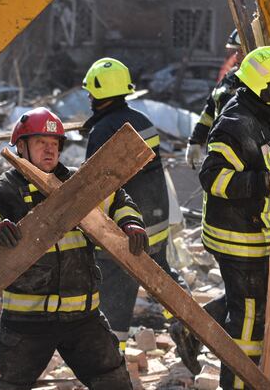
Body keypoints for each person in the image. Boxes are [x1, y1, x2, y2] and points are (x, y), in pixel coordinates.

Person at [0, 108, 148, 390]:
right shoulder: (5, 191)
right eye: (41, 143)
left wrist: (131, 224)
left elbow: (118, 201)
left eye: (54, 144)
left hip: (83, 318)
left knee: (114, 383)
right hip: (27, 323)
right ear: (22, 146)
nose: (50, 151)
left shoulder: (78, 184)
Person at [176, 46, 270, 388]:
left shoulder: (263, 113)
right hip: (238, 238)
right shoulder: (236, 124)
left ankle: (192, 327)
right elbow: (212, 178)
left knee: (244, 304)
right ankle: (238, 383)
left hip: (254, 231)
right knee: (249, 323)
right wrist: (266, 181)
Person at [81, 57, 190, 352]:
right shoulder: (143, 122)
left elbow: (97, 188)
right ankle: (189, 323)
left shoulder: (102, 132)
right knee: (163, 275)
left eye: (91, 92)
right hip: (155, 222)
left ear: (99, 94)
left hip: (126, 232)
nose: (89, 97)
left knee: (116, 295)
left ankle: (111, 355)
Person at [186, 29, 246, 169]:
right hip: (218, 153)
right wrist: (195, 140)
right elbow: (209, 112)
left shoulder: (262, 81)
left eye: (241, 51)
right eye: (235, 51)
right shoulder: (229, 79)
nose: (237, 57)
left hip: (245, 157)